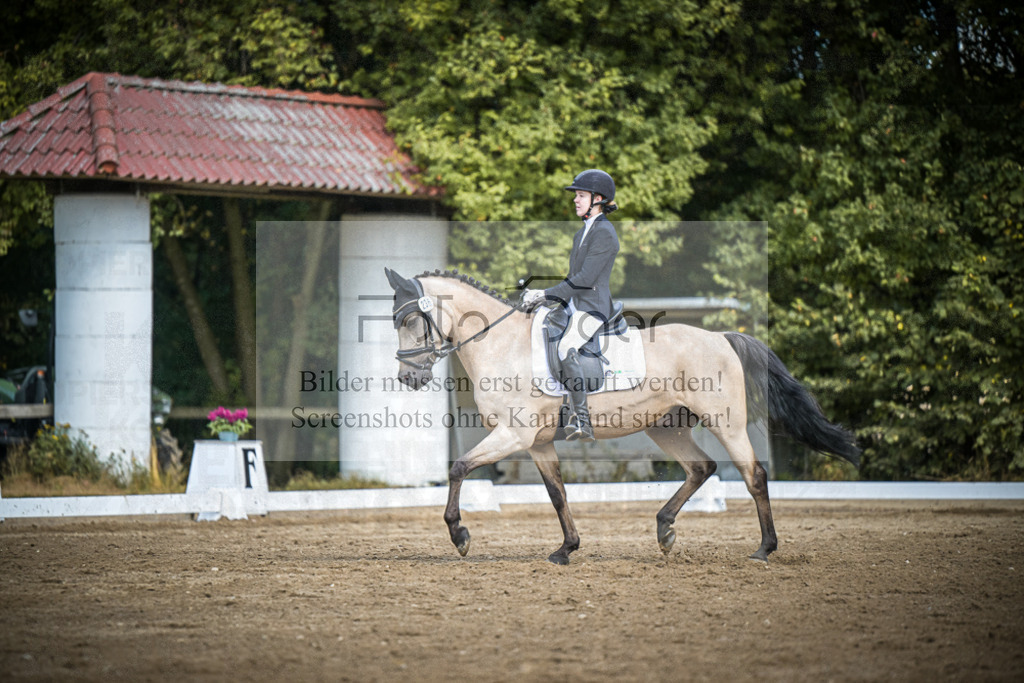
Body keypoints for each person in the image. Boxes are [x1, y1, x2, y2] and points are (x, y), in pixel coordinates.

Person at [523, 169, 620, 441]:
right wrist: (546, 300)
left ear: (598, 199)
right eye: (576, 195)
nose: (575, 200)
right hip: (575, 304)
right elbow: (572, 279)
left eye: (580, 195)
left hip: (593, 308)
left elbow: (586, 278)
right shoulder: (582, 234)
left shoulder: (605, 233)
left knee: (566, 347)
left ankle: (581, 420)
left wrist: (546, 293)